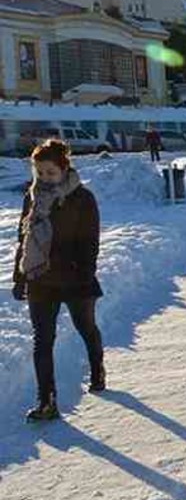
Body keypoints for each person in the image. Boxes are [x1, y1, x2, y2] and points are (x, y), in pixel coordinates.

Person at [12, 139, 105, 422]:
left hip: (75, 278)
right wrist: (20, 277)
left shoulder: (83, 198)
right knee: (42, 341)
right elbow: (24, 237)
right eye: (39, 173)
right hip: (41, 277)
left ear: (65, 169)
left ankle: (97, 369)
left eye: (50, 173)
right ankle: (47, 401)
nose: (44, 179)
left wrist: (83, 274)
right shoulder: (32, 196)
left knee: (86, 327)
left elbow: (91, 243)